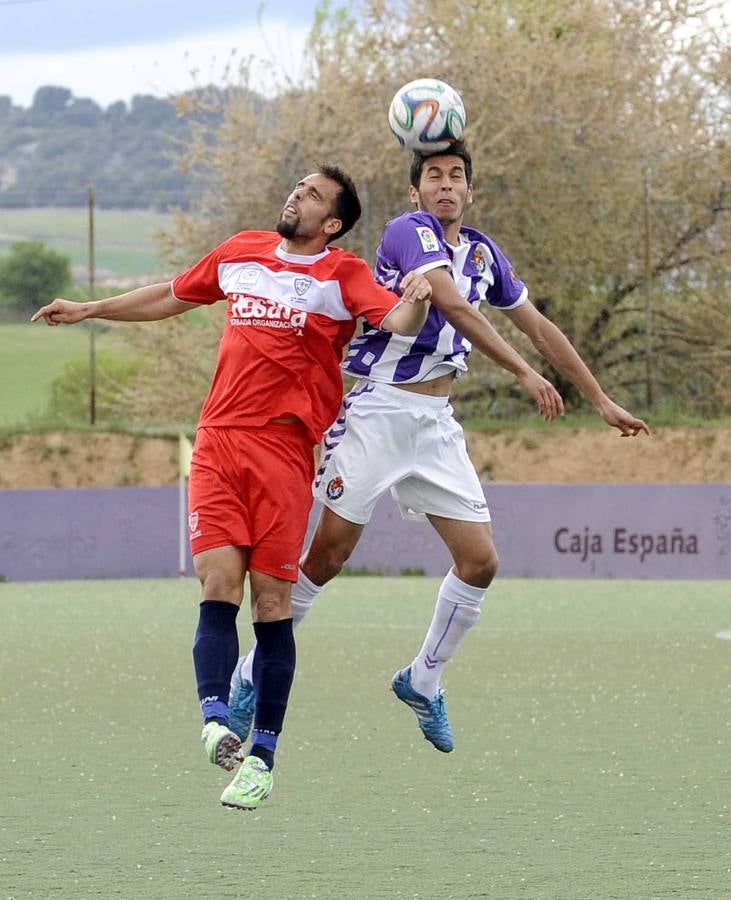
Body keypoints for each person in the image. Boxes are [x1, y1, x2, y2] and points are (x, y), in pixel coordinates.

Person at [31, 165, 439, 810]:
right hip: (219, 439)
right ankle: (216, 717)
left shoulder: (343, 274)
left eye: (310, 194)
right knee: (216, 583)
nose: (295, 196)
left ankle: (264, 758)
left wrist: (418, 293)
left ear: (331, 222)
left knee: (272, 603)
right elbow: (171, 294)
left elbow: (400, 323)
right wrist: (92, 309)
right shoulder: (242, 250)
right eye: (297, 187)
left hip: (282, 451)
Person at [228, 143, 649, 754]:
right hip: (377, 409)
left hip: (434, 422)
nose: (445, 185)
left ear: (470, 191)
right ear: (415, 191)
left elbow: (540, 326)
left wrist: (601, 399)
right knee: (325, 559)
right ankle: (248, 675)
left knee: (481, 562)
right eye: (433, 176)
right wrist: (524, 375)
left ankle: (423, 680)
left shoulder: (482, 252)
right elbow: (449, 304)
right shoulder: (407, 232)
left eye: (456, 176)